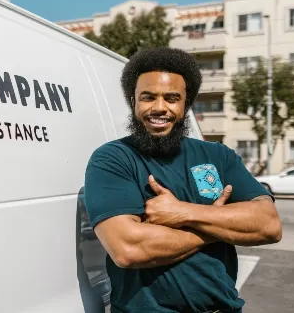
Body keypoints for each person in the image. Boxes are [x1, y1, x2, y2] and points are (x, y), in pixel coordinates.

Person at [82, 47, 282, 313]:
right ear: (133, 102)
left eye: (171, 98)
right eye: (148, 97)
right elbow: (128, 248)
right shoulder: (113, 158)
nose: (159, 108)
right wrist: (216, 225)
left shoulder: (218, 156)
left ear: (185, 105)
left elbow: (268, 224)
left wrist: (183, 212)